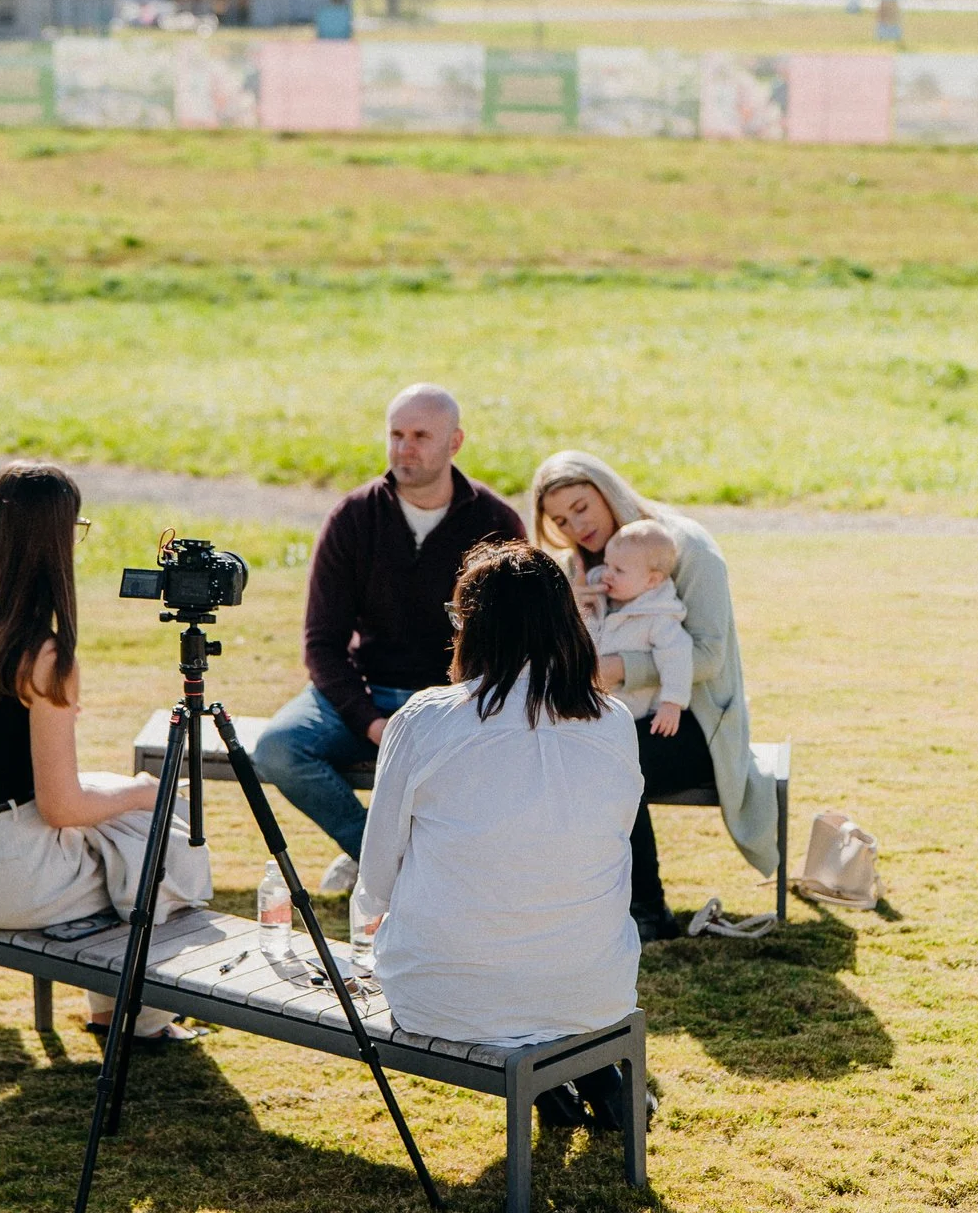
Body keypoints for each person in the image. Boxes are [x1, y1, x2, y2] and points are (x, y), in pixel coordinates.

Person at [0, 461, 211, 1045]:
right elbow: (62, 808)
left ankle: (120, 1015)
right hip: (11, 882)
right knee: (158, 839)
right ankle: (139, 1018)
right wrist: (149, 791)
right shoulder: (44, 655)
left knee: (122, 827)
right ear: (55, 541)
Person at [352, 541, 643, 1126]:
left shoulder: (426, 718)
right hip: (591, 986)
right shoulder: (614, 723)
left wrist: (373, 916)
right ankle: (567, 1081)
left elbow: (378, 865)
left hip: (446, 995)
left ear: (474, 630)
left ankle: (553, 1085)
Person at [254, 384, 526, 896]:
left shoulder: (495, 522)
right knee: (277, 749)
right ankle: (380, 856)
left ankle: (435, 864)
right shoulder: (354, 517)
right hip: (368, 694)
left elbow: (512, 639)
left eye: (421, 435)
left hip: (453, 702)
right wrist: (370, 722)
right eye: (396, 434)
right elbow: (321, 641)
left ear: (456, 442)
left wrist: (455, 711)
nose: (404, 448)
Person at [530, 450, 780, 942]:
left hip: (696, 719)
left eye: (582, 507)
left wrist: (618, 670)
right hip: (616, 715)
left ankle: (648, 909)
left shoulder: (688, 548)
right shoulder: (578, 565)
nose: (576, 526)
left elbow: (709, 655)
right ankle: (579, 896)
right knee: (561, 751)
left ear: (608, 490)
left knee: (613, 761)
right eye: (560, 520)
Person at [581, 519, 691, 739]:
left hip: (631, 712)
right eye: (607, 564)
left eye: (618, 570)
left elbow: (677, 656)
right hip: (593, 703)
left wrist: (671, 702)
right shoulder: (601, 598)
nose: (607, 574)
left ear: (651, 580)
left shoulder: (659, 616)